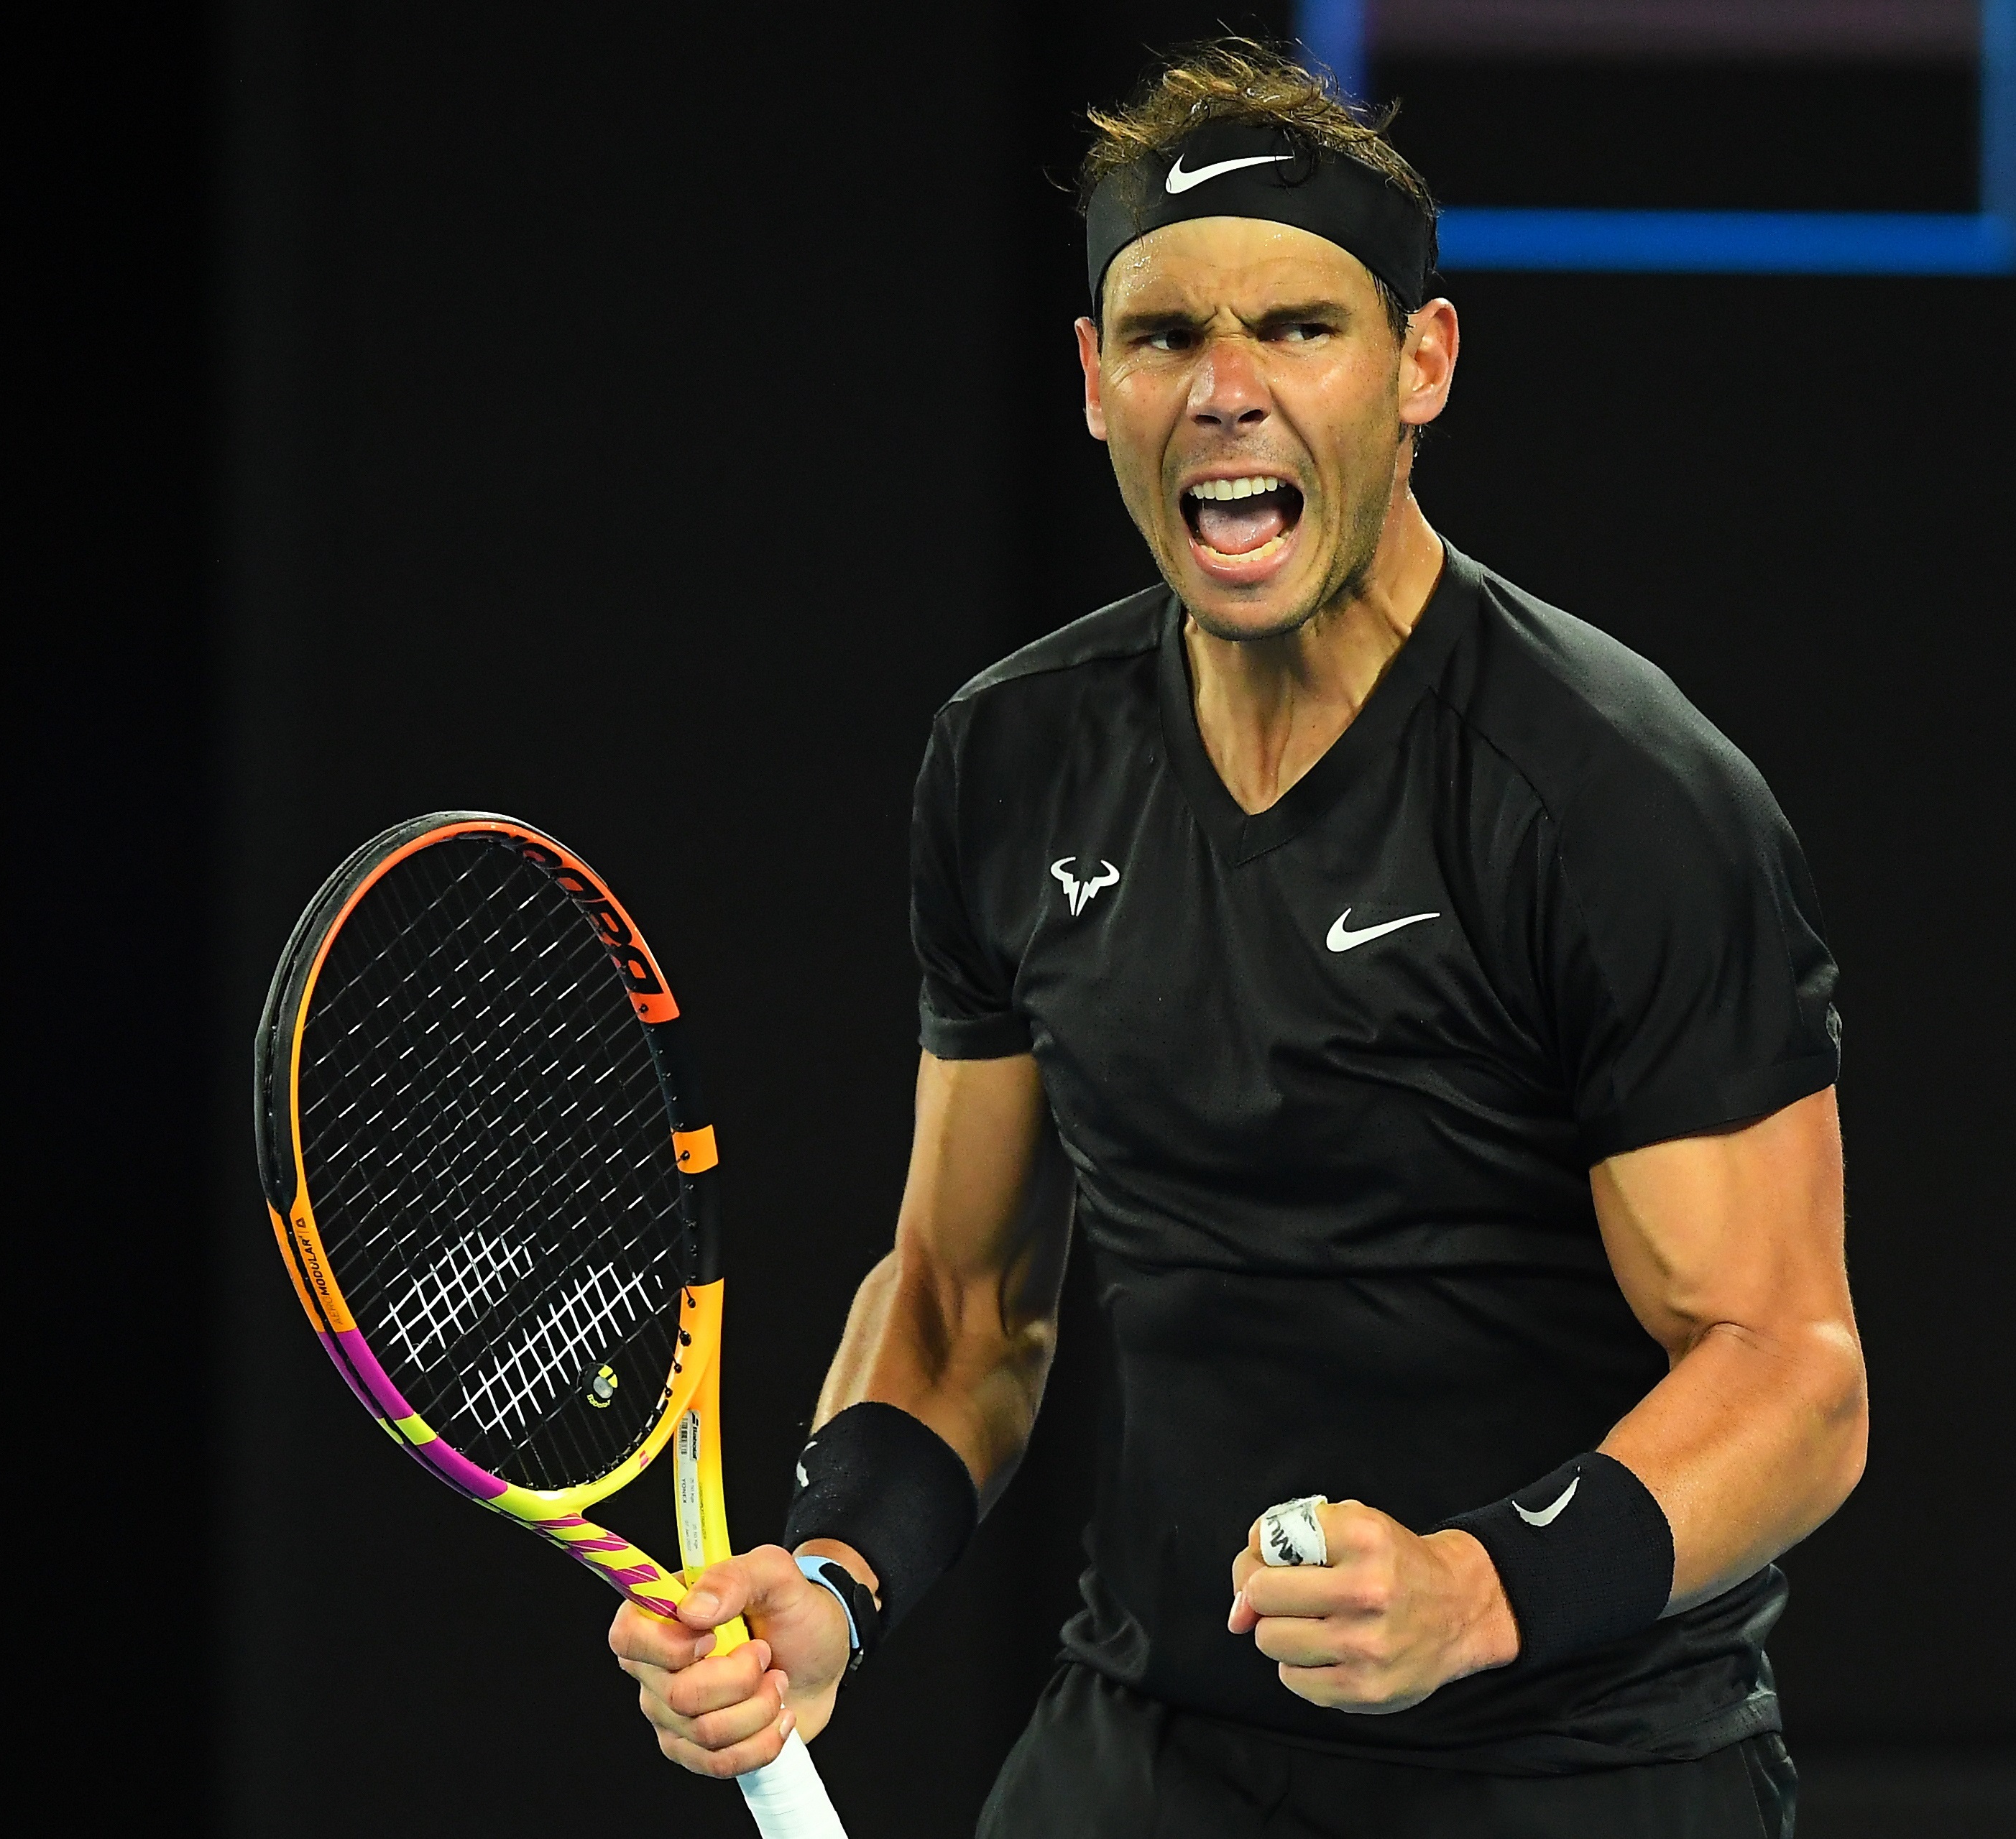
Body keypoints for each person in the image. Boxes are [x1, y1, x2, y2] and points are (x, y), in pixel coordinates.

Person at [609, 40, 1865, 1838]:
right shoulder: (1015, 755)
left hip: (1575, 1763)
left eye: (1297, 327)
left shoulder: (1616, 797)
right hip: (1159, 1739)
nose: (1227, 391)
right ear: (1094, 382)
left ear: (1421, 363)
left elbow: (1791, 1370)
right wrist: (831, 1576)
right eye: (1166, 335)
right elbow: (965, 1301)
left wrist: (1477, 1588)